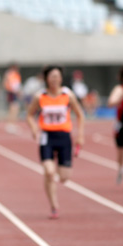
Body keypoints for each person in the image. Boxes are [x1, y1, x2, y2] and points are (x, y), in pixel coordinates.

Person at [26, 66, 85, 219]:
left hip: (64, 137)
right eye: (52, 76)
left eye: (57, 76)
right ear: (46, 78)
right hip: (47, 137)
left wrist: (80, 136)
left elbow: (80, 115)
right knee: (49, 172)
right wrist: (34, 128)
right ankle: (54, 206)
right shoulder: (40, 97)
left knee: (64, 177)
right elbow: (29, 115)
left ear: (61, 78)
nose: (54, 79)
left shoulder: (68, 95)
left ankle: (54, 177)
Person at [3, 63, 22, 132]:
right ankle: (10, 124)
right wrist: (18, 93)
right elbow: (13, 85)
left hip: (12, 92)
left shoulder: (11, 74)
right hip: (12, 92)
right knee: (13, 108)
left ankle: (12, 124)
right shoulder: (12, 74)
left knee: (14, 108)